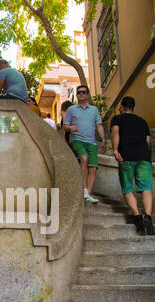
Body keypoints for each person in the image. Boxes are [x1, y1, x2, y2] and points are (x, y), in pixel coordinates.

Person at [111, 96, 154, 235]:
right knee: (146, 188)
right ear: (133, 107)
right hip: (144, 158)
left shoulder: (117, 119)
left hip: (126, 157)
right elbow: (148, 141)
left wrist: (116, 150)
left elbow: (115, 133)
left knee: (128, 188)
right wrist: (148, 157)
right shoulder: (143, 122)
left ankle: (137, 218)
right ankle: (148, 217)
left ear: (122, 107)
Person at [64, 85, 106, 203]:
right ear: (77, 95)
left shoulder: (94, 110)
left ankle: (88, 194)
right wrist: (70, 127)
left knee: (93, 168)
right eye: (79, 92)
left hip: (91, 142)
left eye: (83, 92)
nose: (81, 94)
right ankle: (84, 189)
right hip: (76, 140)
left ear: (87, 94)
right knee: (84, 158)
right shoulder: (71, 109)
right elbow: (65, 126)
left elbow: (99, 125)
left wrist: (103, 140)